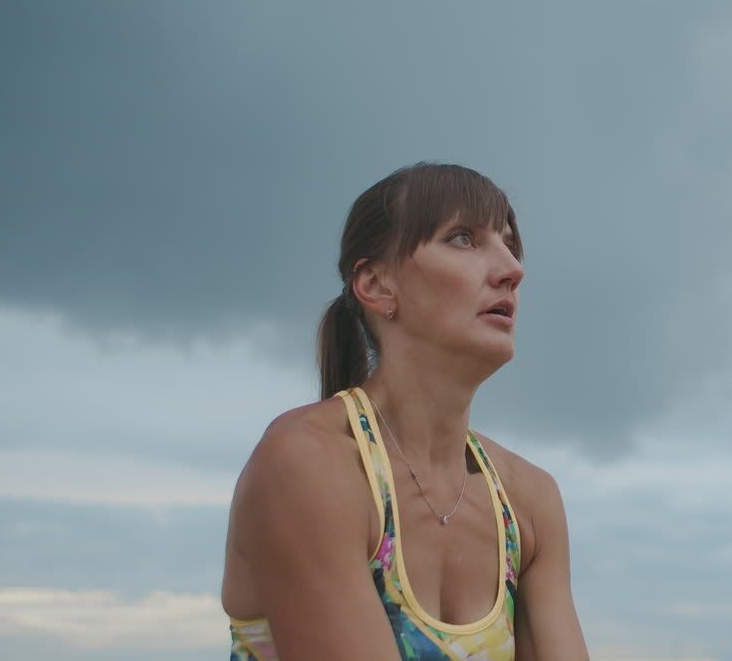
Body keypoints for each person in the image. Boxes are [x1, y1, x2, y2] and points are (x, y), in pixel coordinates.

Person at [220, 163, 590, 660]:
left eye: (510, 245)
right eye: (463, 239)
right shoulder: (309, 463)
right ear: (377, 286)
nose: (512, 269)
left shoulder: (529, 503)